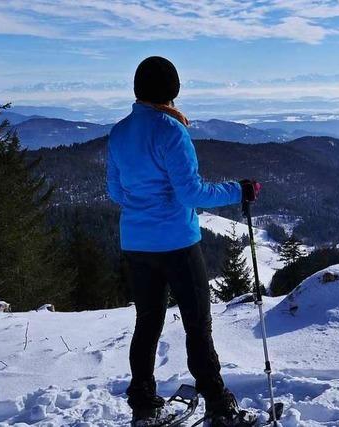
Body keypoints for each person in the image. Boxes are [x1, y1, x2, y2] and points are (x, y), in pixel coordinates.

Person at [106, 56, 262, 427]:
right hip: (177, 242)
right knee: (197, 324)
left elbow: (115, 190)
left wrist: (145, 206)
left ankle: (143, 405)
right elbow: (192, 193)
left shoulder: (119, 132)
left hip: (136, 243)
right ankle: (220, 407)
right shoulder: (171, 131)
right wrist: (238, 189)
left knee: (147, 323)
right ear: (171, 91)